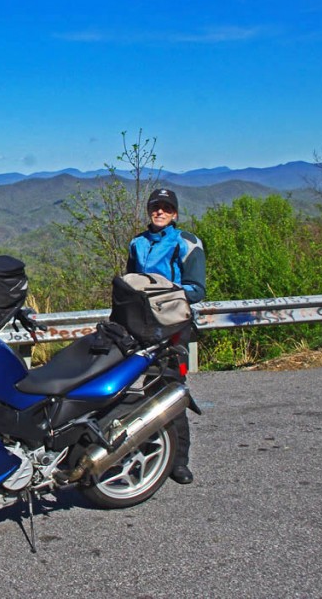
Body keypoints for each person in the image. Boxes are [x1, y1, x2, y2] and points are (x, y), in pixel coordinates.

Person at [127, 188, 206, 485]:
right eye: (155, 207)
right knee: (141, 391)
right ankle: (153, 452)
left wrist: (161, 291)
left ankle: (179, 461)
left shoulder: (186, 243)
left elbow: (197, 289)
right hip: (144, 327)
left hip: (174, 326)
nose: (159, 212)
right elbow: (130, 282)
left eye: (166, 208)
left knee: (171, 389)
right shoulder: (137, 243)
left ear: (174, 213)